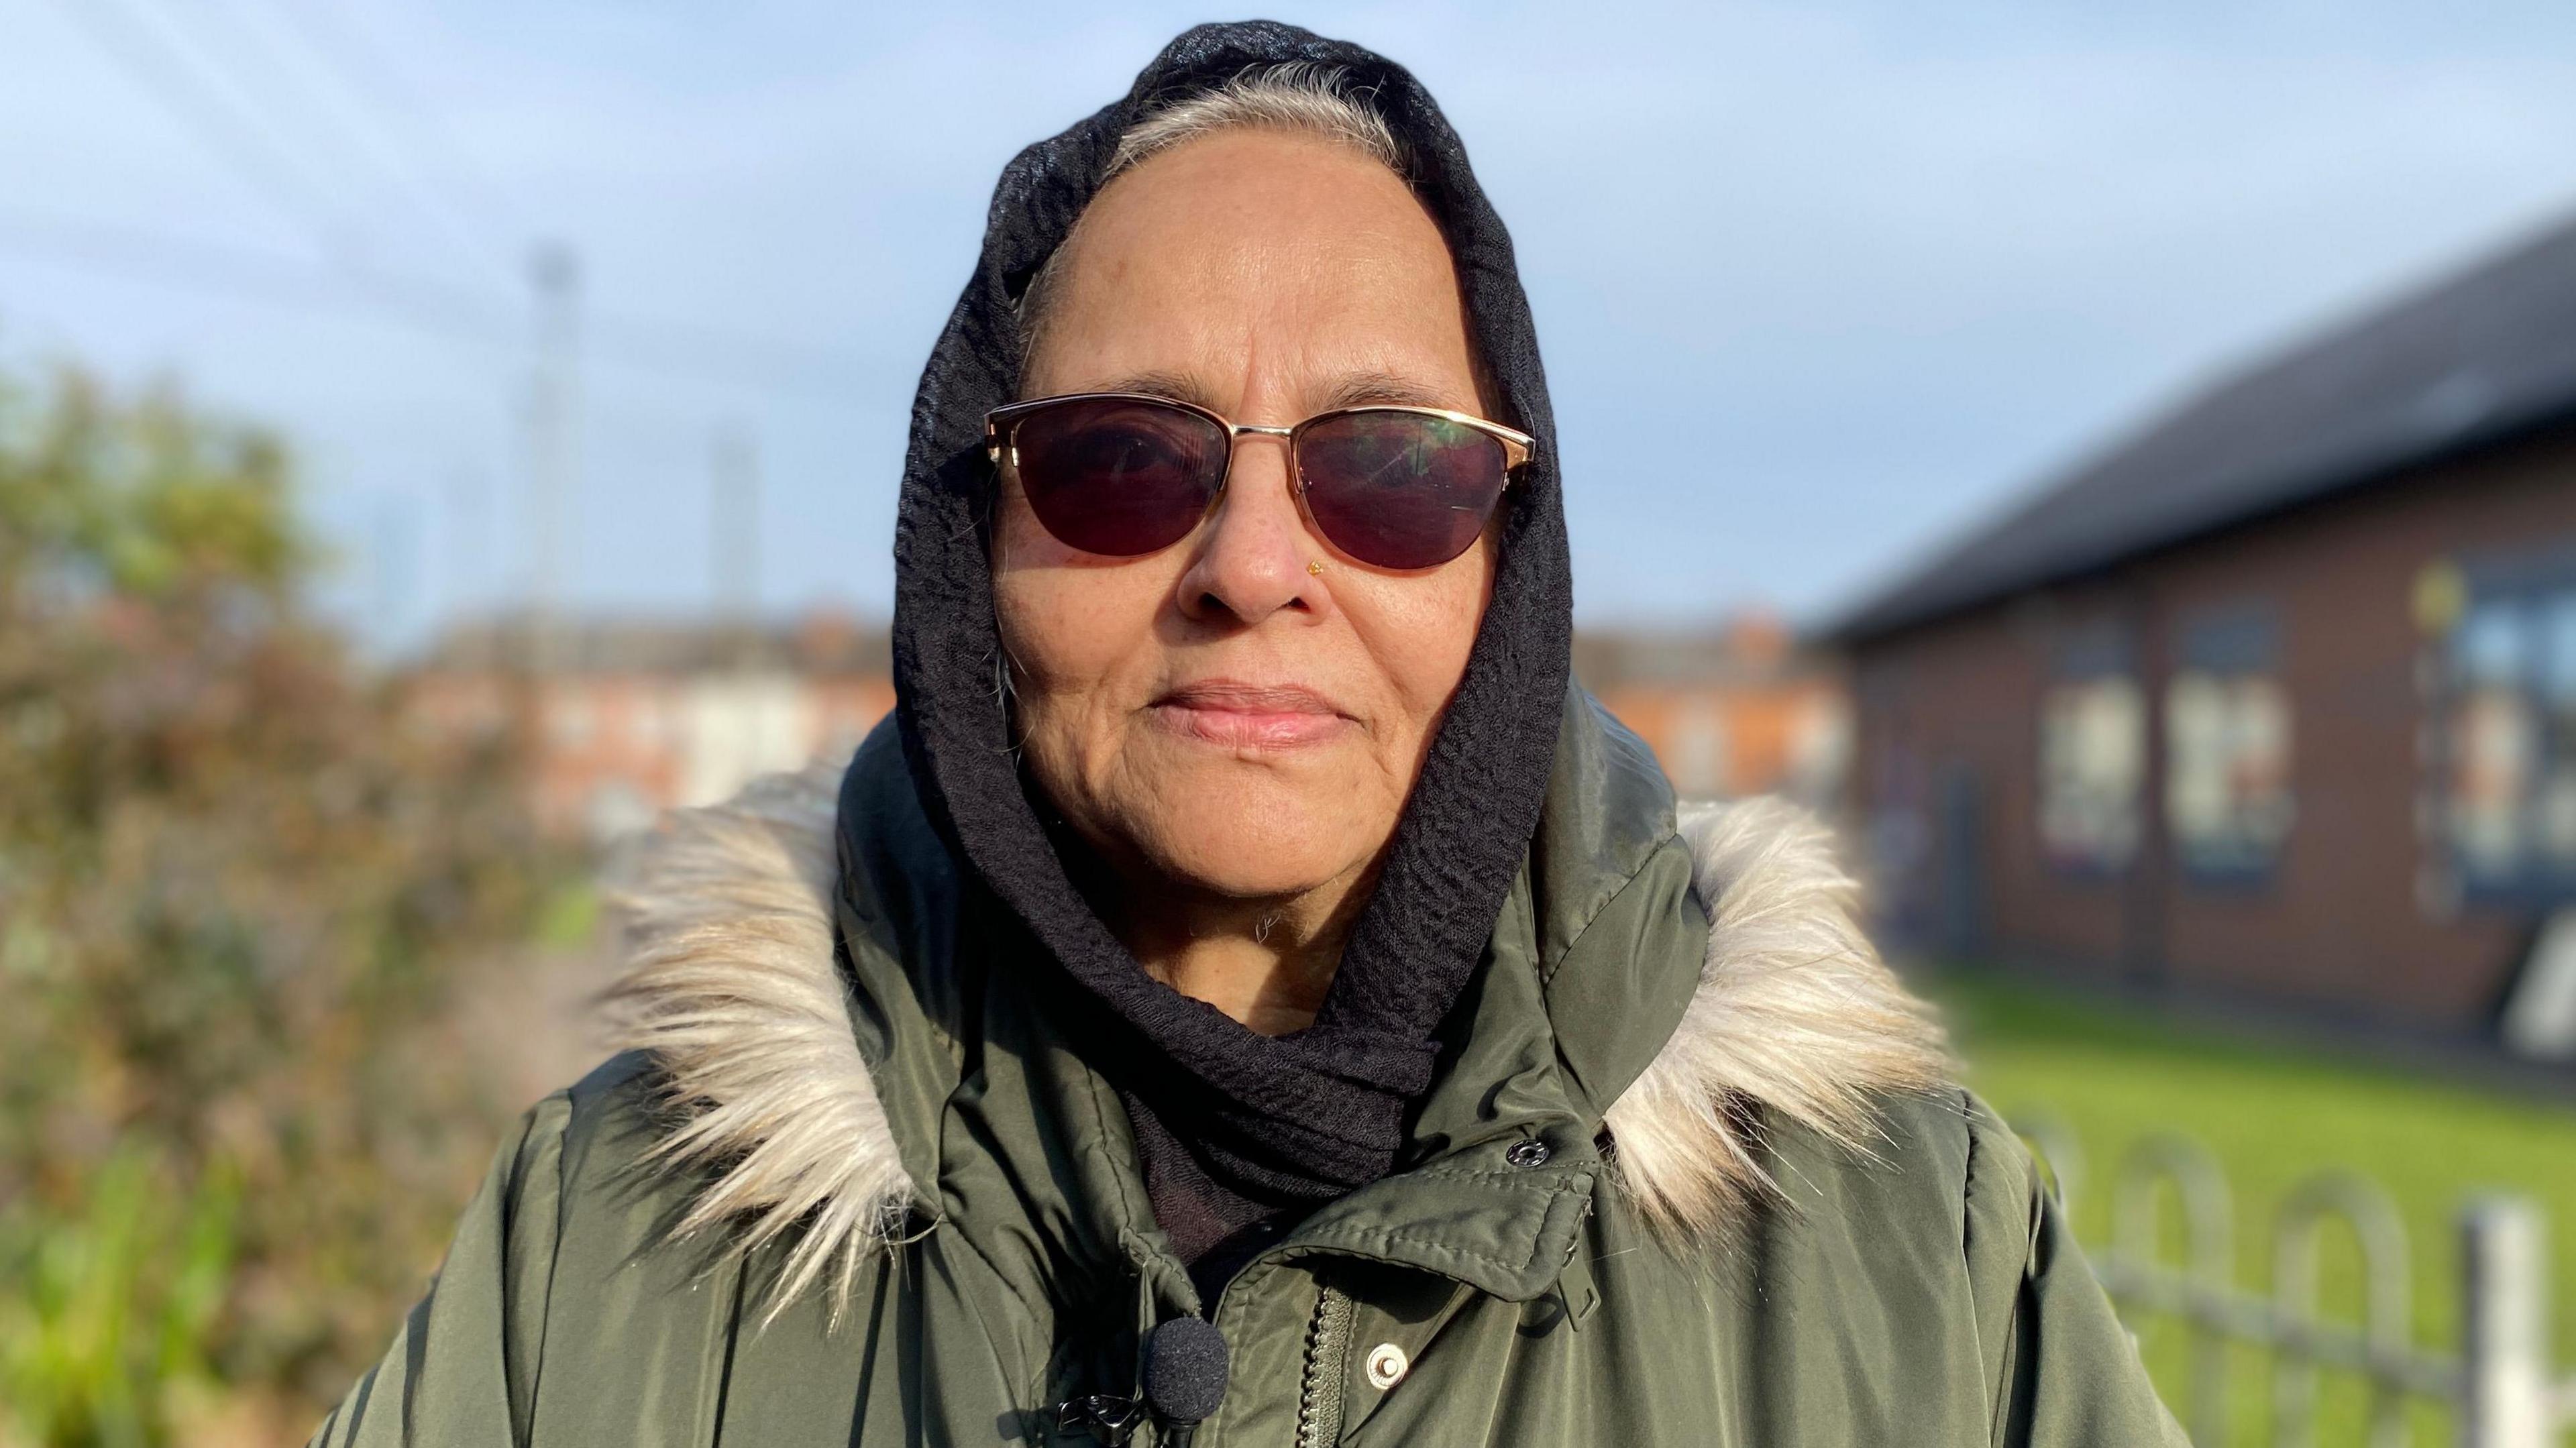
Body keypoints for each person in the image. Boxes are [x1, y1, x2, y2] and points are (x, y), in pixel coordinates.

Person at [312, 22, 2183, 1447]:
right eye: (1123, 462)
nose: (1257, 565)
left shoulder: (1906, 1251)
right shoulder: (610, 1240)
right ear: (971, 547)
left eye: (1389, 468)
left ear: (1509, 565)